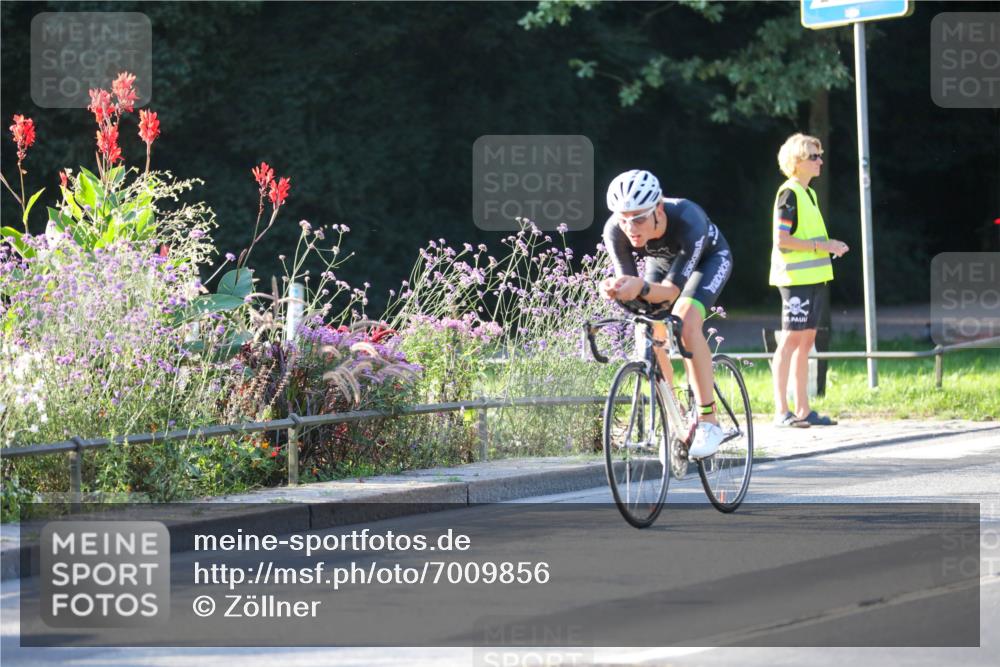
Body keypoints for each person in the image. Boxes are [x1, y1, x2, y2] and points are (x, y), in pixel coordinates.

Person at [599, 169, 733, 459]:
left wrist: (640, 288)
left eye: (638, 218)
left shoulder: (688, 219)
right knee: (647, 329)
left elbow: (671, 292)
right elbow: (632, 283)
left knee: (686, 323)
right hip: (662, 263)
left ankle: (709, 420)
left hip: (707, 260)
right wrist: (615, 287)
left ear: (658, 208)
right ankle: (676, 415)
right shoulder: (615, 229)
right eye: (624, 218)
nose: (630, 227)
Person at [768, 133, 849, 427]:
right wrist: (824, 245)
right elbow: (782, 240)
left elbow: (808, 238)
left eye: (819, 155)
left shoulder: (809, 193)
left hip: (813, 279)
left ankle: (803, 410)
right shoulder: (788, 193)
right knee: (790, 341)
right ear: (797, 161)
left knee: (806, 342)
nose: (820, 161)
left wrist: (831, 245)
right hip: (794, 280)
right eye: (814, 156)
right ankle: (781, 411)